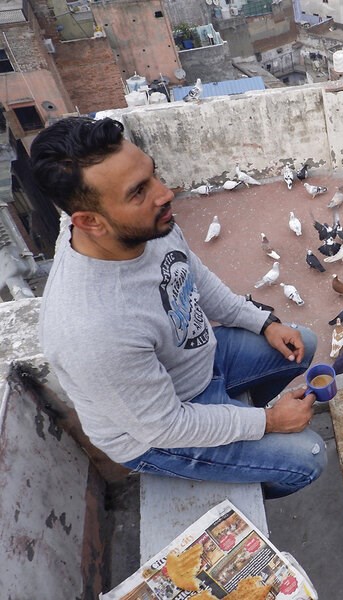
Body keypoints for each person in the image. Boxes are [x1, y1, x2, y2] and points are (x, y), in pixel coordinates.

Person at [34, 117, 326, 499]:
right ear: (89, 222)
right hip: (157, 430)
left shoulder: (148, 225)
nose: (165, 193)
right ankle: (231, 487)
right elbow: (165, 426)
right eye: (139, 191)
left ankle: (243, 438)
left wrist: (264, 323)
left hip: (198, 362)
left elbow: (192, 276)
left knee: (301, 342)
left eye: (153, 175)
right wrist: (267, 422)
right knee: (310, 457)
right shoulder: (92, 330)